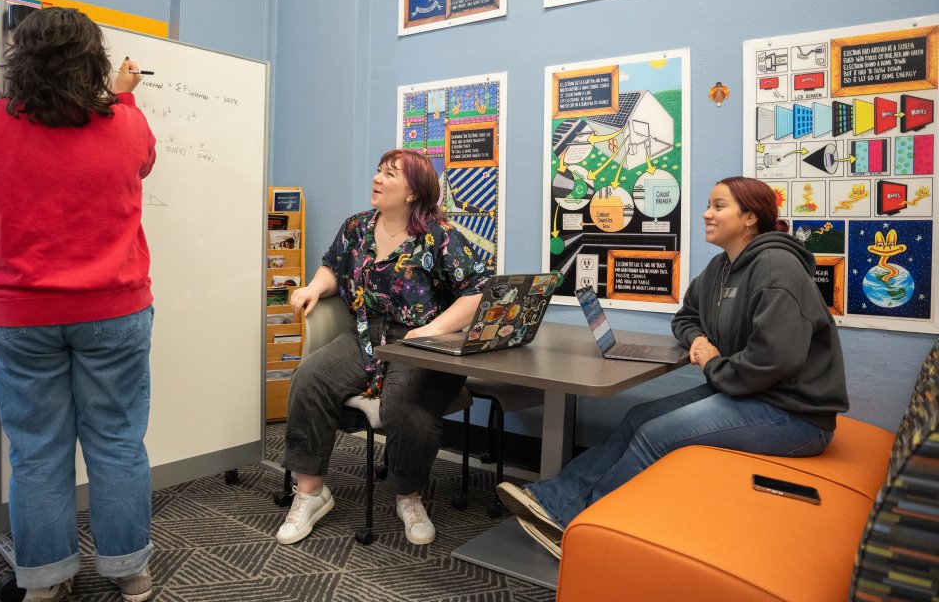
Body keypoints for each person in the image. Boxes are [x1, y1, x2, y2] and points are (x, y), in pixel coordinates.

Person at [0, 7, 157, 602]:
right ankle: (130, 572)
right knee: (118, 441)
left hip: (23, 320)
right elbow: (143, 158)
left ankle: (47, 583)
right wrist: (122, 99)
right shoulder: (127, 126)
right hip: (115, 313)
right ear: (93, 63)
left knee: (38, 451)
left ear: (18, 60)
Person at [497, 176, 848, 558]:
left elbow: (774, 359)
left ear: (750, 217)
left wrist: (713, 362)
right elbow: (686, 317)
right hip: (748, 392)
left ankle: (583, 529)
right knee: (638, 416)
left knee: (657, 434)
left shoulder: (777, 268)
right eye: (709, 205)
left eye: (718, 206)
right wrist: (698, 340)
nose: (706, 213)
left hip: (794, 415)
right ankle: (554, 501)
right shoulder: (721, 268)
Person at [277, 149, 492, 546]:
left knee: (403, 403)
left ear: (413, 192)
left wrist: (431, 328)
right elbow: (332, 266)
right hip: (365, 335)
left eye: (390, 175)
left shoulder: (439, 235)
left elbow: (478, 294)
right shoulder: (357, 227)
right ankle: (310, 493)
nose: (378, 179)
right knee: (310, 377)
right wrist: (312, 288)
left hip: (423, 340)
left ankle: (408, 496)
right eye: (379, 171)